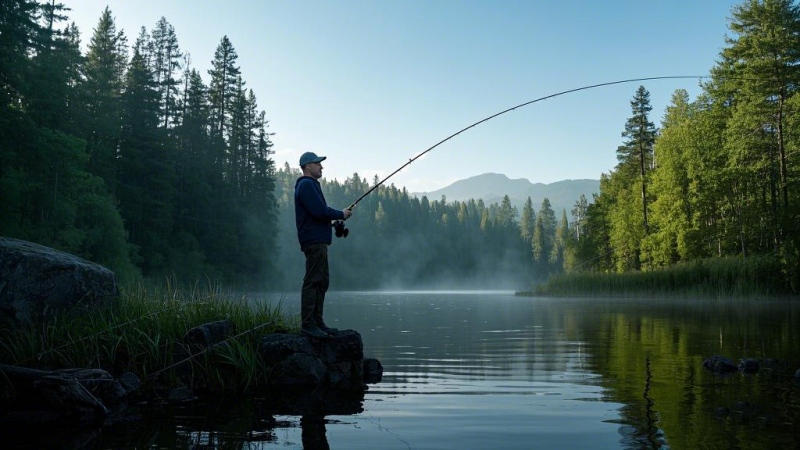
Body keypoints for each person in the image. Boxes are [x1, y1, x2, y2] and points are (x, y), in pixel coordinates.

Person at [294, 151, 352, 338]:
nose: (321, 166)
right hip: (314, 241)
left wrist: (333, 222)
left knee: (321, 281)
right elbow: (319, 211)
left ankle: (317, 323)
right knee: (313, 281)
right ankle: (308, 325)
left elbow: (316, 215)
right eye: (317, 163)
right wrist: (340, 214)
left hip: (317, 240)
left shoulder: (309, 185)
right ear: (307, 166)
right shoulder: (306, 185)